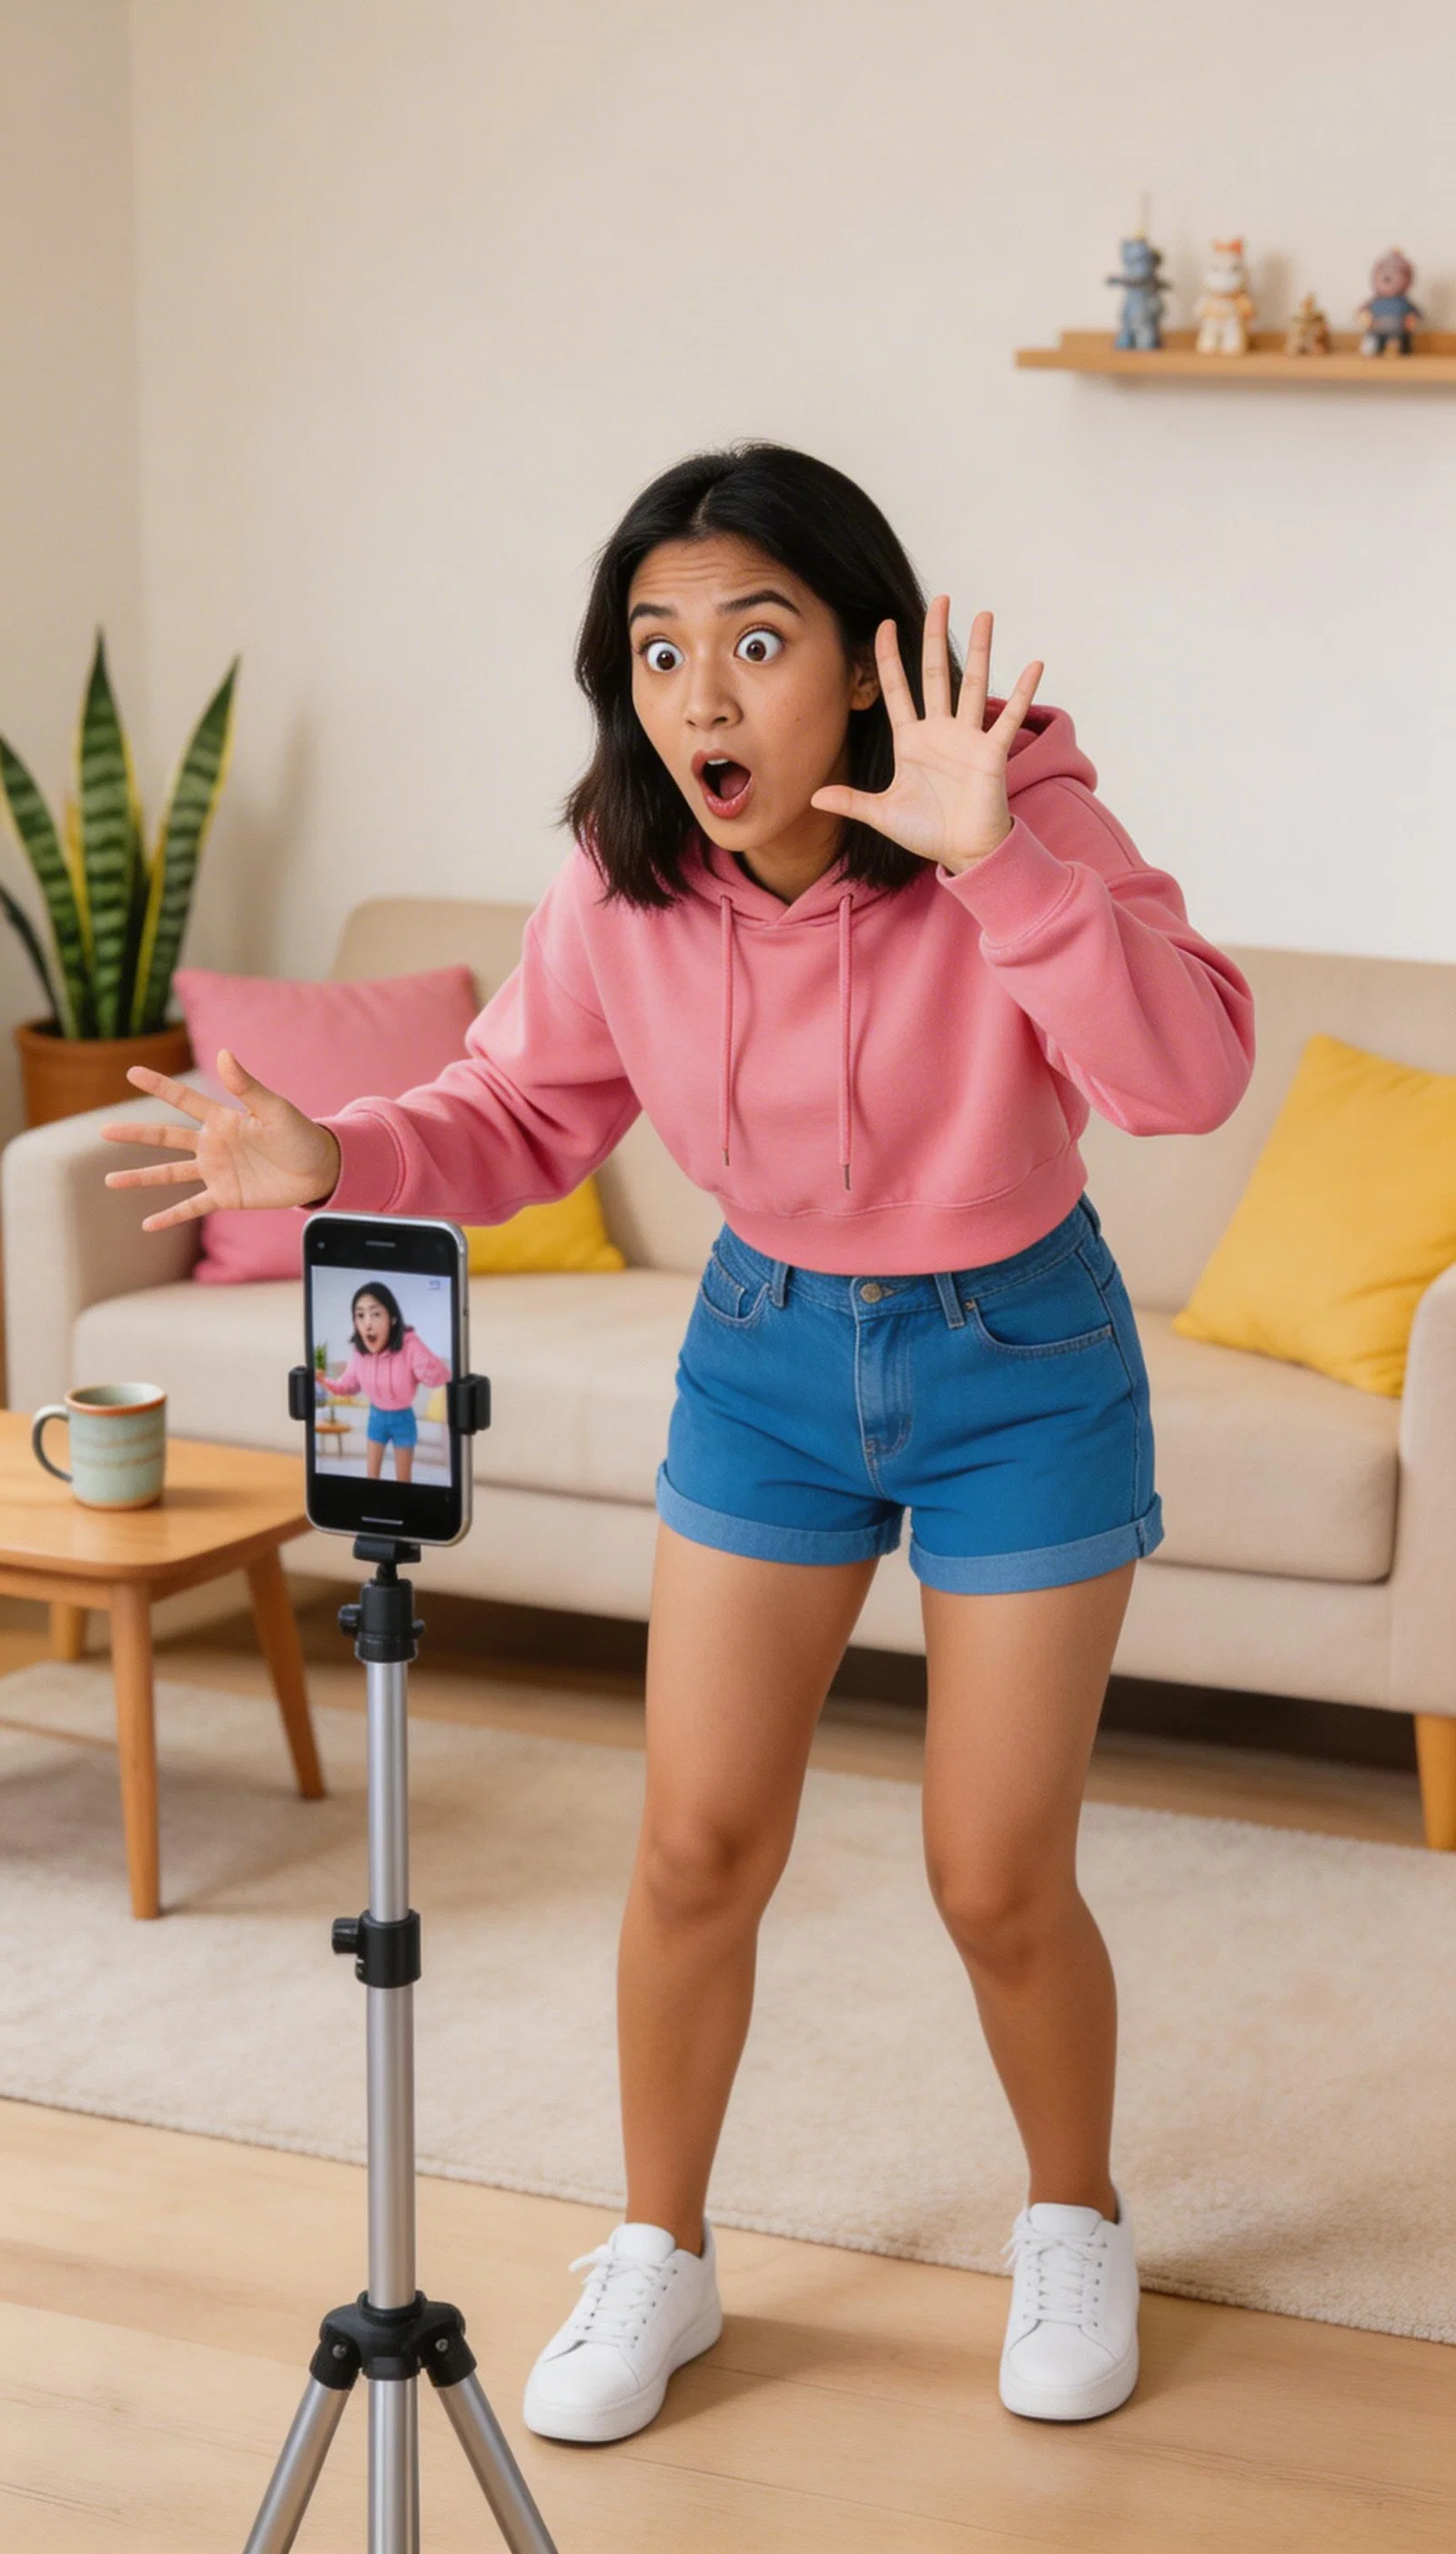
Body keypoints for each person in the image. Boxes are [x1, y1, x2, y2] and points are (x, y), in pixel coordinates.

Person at [101, 441, 1255, 2441]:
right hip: (765, 1351)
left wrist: (1001, 863)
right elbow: (514, 1113)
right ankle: (661, 2252)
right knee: (694, 1844)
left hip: (1021, 1354)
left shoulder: (1011, 804)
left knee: (992, 1875)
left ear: (861, 654)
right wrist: (330, 1156)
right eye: (655, 653)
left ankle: (1071, 2214)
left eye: (752, 640)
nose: (699, 700)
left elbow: (1185, 1078)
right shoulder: (627, 875)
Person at [316, 1278, 450, 1481]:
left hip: (403, 1419)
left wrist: (413, 1344)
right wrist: (325, 1381)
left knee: (403, 1481)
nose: (367, 1323)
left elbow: (439, 1377)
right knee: (372, 1479)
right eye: (360, 1315)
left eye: (376, 1314)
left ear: (392, 1319)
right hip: (376, 1418)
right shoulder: (359, 1354)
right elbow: (349, 1385)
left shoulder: (409, 1346)